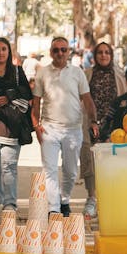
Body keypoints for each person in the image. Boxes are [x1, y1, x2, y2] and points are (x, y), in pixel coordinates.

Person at [31, 35, 98, 216]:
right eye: (56, 50)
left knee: (70, 172)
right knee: (49, 170)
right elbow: (35, 103)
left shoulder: (78, 73)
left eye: (63, 49)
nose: (60, 53)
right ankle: (53, 209)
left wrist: (93, 121)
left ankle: (64, 200)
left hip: (73, 130)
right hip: (49, 129)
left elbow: (87, 99)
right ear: (51, 52)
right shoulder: (42, 73)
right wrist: (36, 126)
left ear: (68, 52)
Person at [0, 36, 33, 215]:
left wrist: (10, 95)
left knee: (9, 165)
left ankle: (10, 203)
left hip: (12, 123)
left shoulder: (17, 71)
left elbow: (27, 91)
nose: (0, 53)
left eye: (4, 49)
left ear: (9, 52)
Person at [80, 42, 126, 219]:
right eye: (100, 52)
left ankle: (108, 201)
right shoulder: (87, 74)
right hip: (91, 123)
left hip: (114, 126)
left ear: (111, 55)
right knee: (90, 161)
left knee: (111, 162)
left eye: (107, 52)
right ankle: (92, 198)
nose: (103, 55)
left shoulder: (119, 76)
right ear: (94, 55)